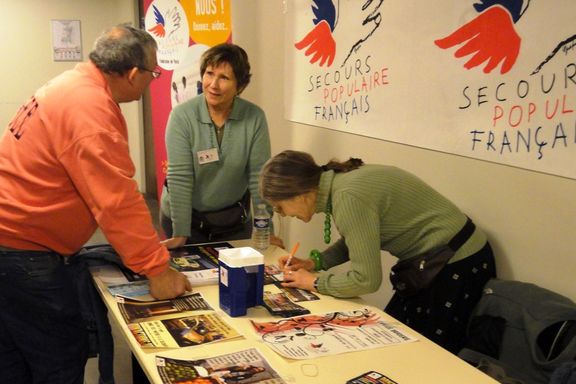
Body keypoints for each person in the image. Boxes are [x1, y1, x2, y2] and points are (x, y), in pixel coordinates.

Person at [0, 24, 191, 383]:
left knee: (13, 358)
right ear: (134, 74)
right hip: (23, 252)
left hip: (10, 244)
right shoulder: (90, 109)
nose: (153, 80)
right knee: (58, 356)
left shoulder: (71, 85)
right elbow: (116, 201)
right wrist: (157, 269)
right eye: (154, 73)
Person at [259, 150, 496, 354]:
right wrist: (314, 263)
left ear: (299, 193)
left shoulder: (347, 197)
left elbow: (367, 280)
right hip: (439, 260)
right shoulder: (341, 185)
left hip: (457, 262)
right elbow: (359, 237)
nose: (283, 214)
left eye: (280, 207)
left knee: (424, 352)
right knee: (395, 338)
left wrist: (314, 283)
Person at [160, 43, 281, 248]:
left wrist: (265, 229)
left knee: (239, 276)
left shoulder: (254, 117)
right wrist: (181, 233)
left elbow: (259, 177)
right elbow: (180, 177)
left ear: (239, 86)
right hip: (184, 218)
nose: (213, 84)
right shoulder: (182, 117)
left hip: (233, 220)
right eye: (209, 74)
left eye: (224, 77)